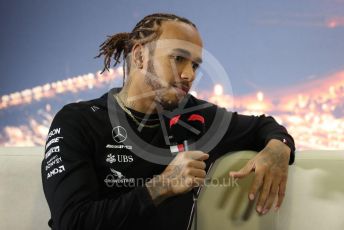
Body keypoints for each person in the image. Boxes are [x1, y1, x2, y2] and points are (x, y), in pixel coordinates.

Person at [41, 13, 295, 230]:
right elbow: (72, 222)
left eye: (195, 65)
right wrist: (162, 186)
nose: (189, 74)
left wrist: (278, 149)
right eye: (178, 59)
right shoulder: (77, 121)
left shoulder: (196, 117)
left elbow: (265, 126)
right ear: (140, 56)